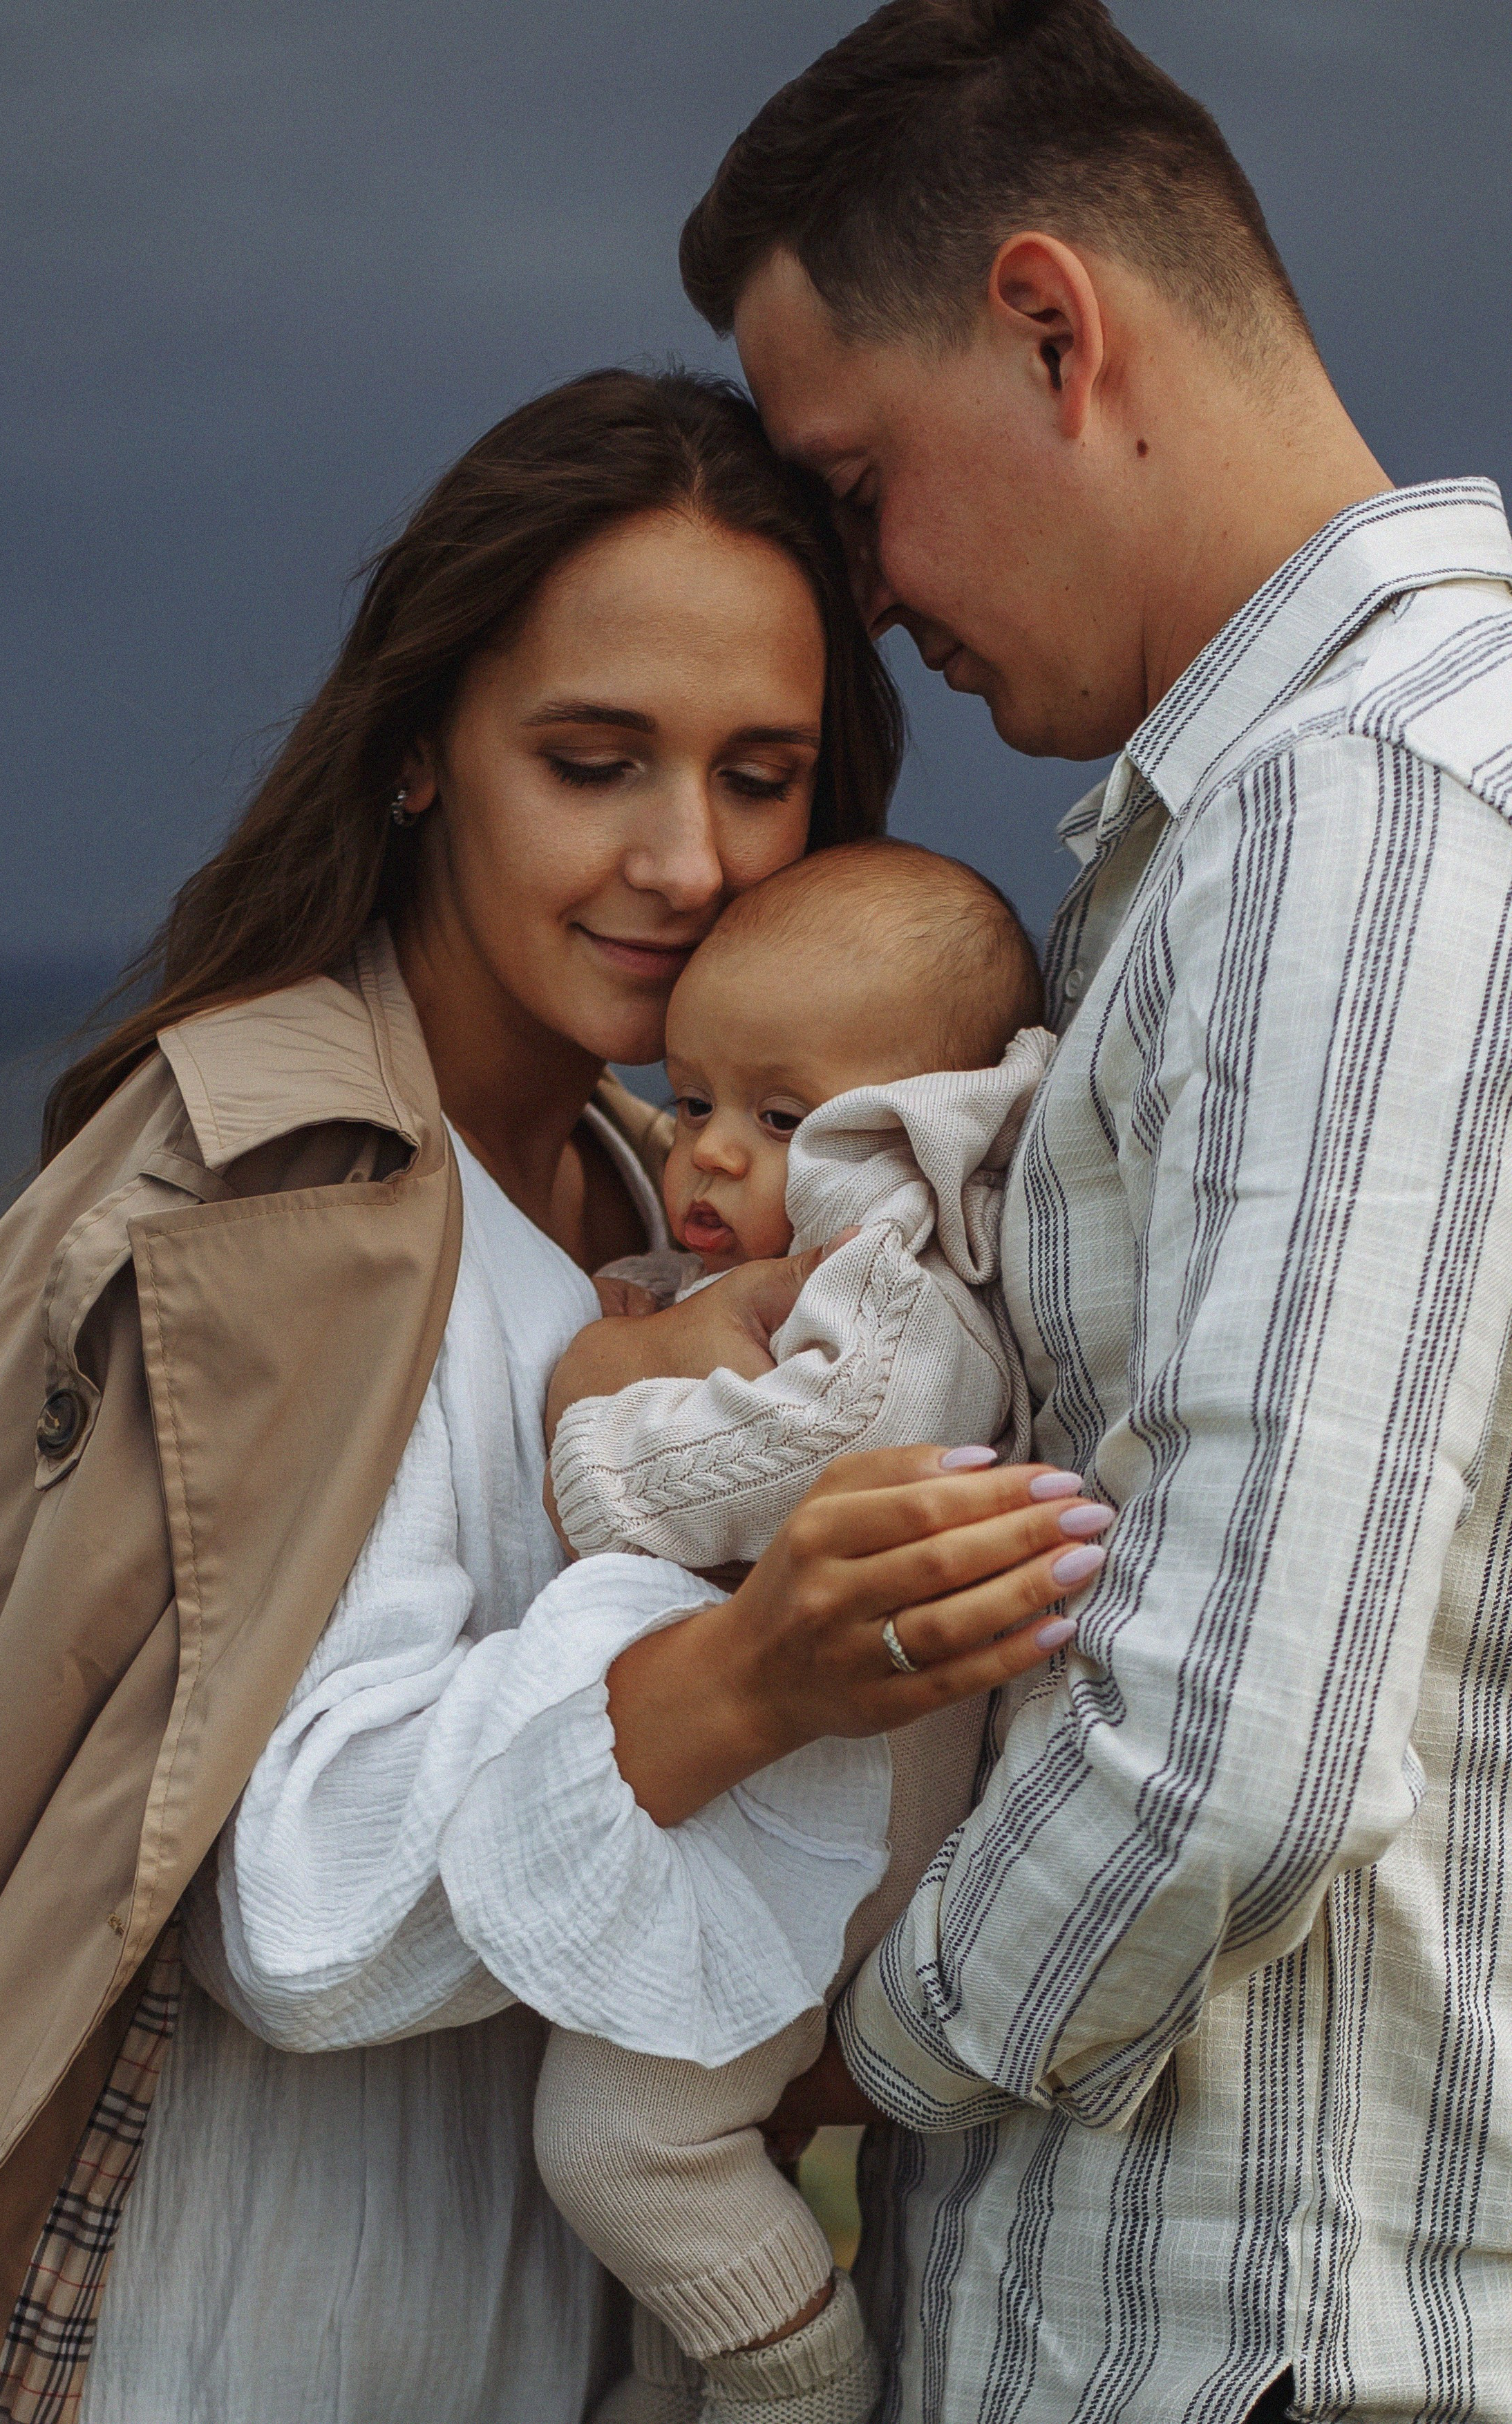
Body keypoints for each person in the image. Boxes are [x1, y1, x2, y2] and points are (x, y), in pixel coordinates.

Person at [0, 366, 1106, 2424]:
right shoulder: (275, 1192)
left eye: (760, 775)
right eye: (591, 761)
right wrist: (752, 1671)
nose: (684, 858)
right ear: (417, 756)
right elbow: (290, 1912)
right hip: (205, 2339)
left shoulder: (668, 1213)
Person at [596, 1, 1512, 2415]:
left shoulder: (1360, 814)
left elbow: (1233, 1744)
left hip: (1253, 2350)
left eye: (857, 479)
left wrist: (854, 2046)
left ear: (1047, 327)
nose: (866, 583)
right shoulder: (1293, 819)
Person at [532, 840, 1066, 2423]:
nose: (705, 1150)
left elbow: (815, 1446)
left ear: (907, 1127)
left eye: (781, 1118)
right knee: (702, 2141)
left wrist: (590, 1436)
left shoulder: (898, 1290)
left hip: (832, 1838)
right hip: (775, 1816)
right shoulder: (784, 1271)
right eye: (690, 1096)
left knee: (620, 2143)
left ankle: (806, 2389)